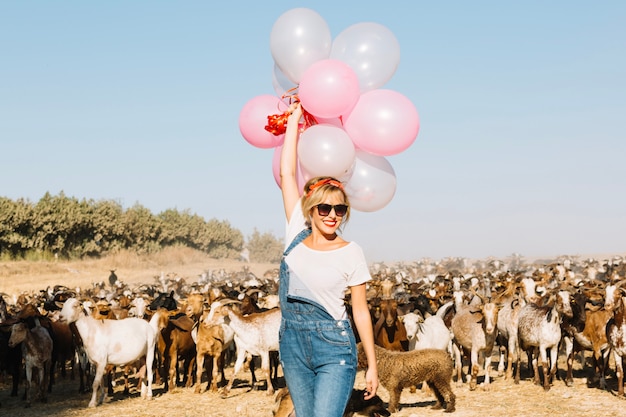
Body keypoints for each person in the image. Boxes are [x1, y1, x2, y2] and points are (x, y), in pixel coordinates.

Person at [278, 102, 379, 417]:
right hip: (292, 345)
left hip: (334, 346)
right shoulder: (295, 229)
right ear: (311, 209)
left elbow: (360, 311)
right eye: (325, 208)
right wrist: (294, 120)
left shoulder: (352, 252)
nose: (332, 215)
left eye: (340, 209)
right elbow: (286, 172)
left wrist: (372, 366)